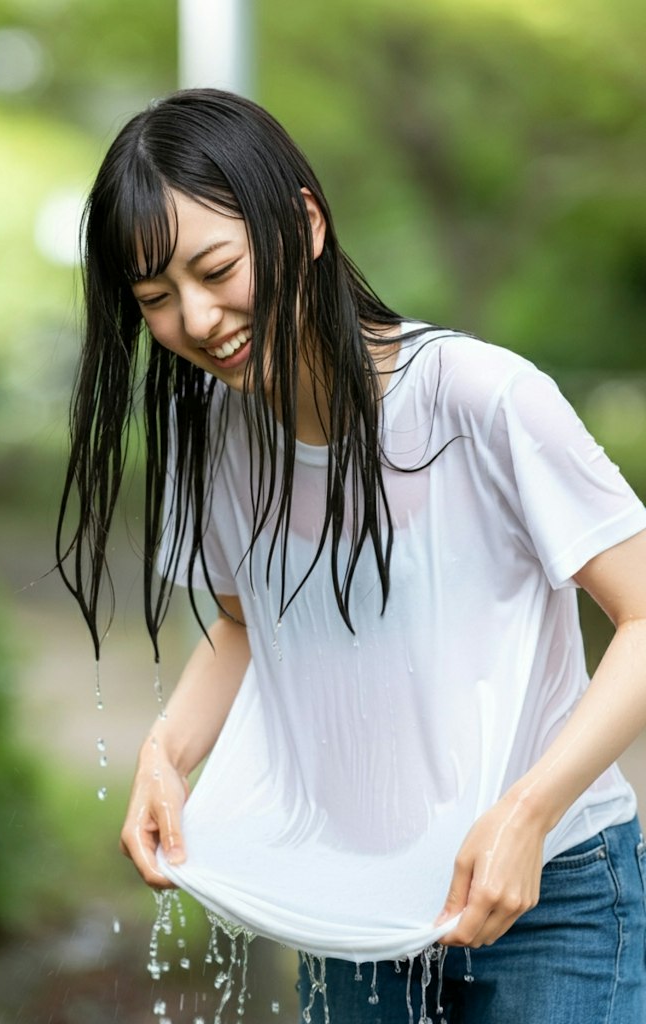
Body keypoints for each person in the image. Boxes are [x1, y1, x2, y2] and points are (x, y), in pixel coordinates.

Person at [55, 88, 646, 1023]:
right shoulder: (214, 432)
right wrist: (166, 754)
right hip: (353, 905)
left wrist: (528, 813)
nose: (199, 321)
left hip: (551, 892)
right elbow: (244, 624)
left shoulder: (478, 399)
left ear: (305, 222)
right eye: (157, 300)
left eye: (217, 269)